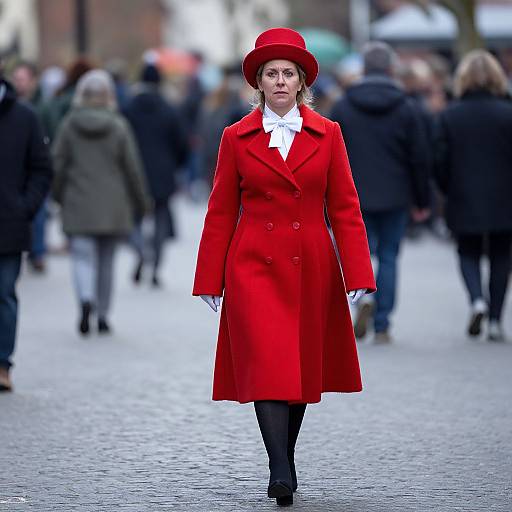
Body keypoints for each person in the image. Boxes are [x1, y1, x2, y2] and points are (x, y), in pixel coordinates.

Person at [192, 28, 376, 506]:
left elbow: (345, 208)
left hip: (310, 264)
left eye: (286, 74)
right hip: (252, 264)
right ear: (258, 82)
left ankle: (285, 460)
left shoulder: (329, 133)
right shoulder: (235, 137)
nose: (278, 81)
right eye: (270, 73)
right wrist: (209, 277)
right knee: (269, 365)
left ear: (300, 82)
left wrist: (358, 273)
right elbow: (219, 209)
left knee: (298, 371)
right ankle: (279, 467)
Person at [330, 42, 430, 343]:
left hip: (353, 195)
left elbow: (331, 154)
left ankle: (364, 299)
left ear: (363, 69)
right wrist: (422, 199)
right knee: (388, 256)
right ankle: (383, 323)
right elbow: (419, 157)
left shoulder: (344, 106)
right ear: (390, 69)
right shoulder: (407, 107)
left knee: (357, 253)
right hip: (395, 194)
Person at [52, 70, 150, 336]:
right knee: (106, 263)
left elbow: (58, 164)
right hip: (113, 205)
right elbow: (132, 168)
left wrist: (57, 195)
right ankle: (103, 315)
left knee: (82, 258)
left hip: (78, 202)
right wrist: (142, 202)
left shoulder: (70, 124)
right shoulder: (119, 125)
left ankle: (85, 299)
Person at [434, 50, 512, 341]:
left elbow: (438, 159)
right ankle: (494, 319)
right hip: (505, 197)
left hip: (463, 193)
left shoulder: (450, 116)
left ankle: (477, 299)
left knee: (467, 251)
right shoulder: (508, 113)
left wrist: (446, 188)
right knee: (501, 256)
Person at [0, 62, 53, 391]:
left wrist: (25, 207)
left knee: (3, 294)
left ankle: (3, 363)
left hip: (8, 222)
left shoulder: (24, 116)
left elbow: (42, 168)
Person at [123, 64, 188, 287]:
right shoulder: (168, 109)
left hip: (135, 171)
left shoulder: (128, 108)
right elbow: (181, 143)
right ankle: (156, 266)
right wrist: (176, 165)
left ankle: (141, 250)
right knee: (161, 219)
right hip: (163, 171)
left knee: (134, 218)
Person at [11, 60, 50, 273]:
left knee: (39, 211)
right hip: (15, 171)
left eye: (23, 79)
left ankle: (37, 252)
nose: (19, 83)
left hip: (35, 165)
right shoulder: (9, 106)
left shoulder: (41, 106)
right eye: (16, 78)